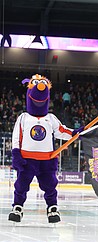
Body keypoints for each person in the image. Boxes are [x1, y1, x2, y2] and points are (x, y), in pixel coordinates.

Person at [9, 74, 83, 223]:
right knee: (21, 185)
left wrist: (75, 134)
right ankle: (18, 206)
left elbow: (62, 131)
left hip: (47, 160)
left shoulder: (51, 118)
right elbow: (16, 137)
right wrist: (16, 154)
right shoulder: (23, 117)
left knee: (50, 186)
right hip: (27, 159)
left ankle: (52, 208)